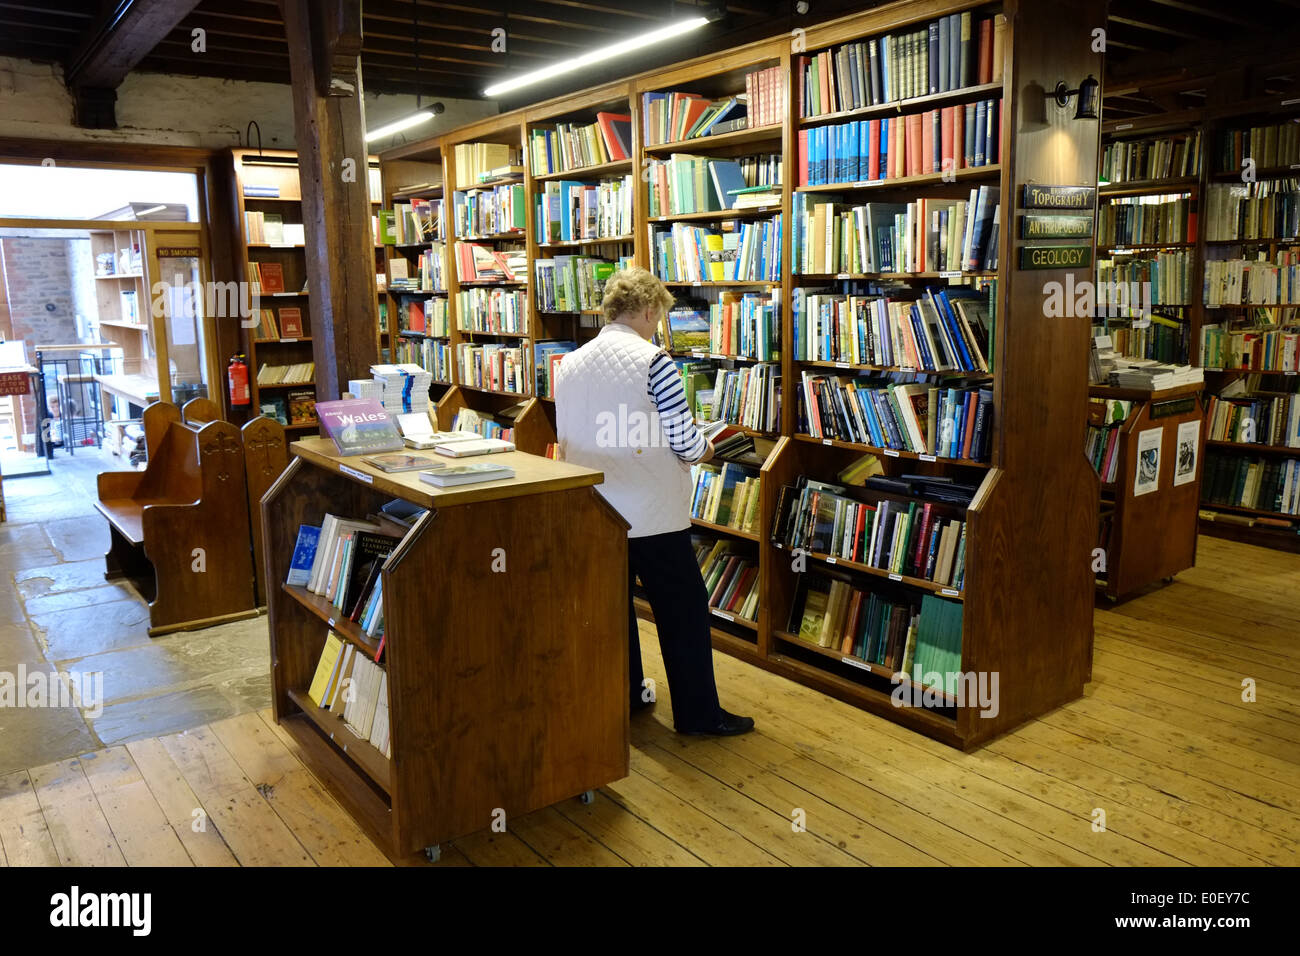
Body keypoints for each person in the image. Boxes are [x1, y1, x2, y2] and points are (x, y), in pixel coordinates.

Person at [554, 267, 754, 736]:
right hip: (652, 513)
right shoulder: (654, 362)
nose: (658, 324)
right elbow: (685, 444)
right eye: (658, 315)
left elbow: (566, 439)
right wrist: (710, 448)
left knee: (614, 608)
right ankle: (699, 714)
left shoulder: (570, 364)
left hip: (596, 509)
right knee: (682, 610)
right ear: (648, 310)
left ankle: (627, 695)